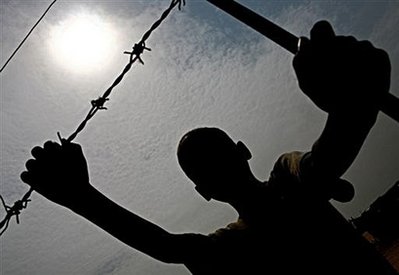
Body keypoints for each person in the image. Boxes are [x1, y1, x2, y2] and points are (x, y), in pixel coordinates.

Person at [20, 21, 396, 274]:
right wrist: (81, 196)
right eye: (203, 165)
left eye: (214, 152)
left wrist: (353, 106)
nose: (214, 165)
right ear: (205, 190)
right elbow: (171, 248)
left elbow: (323, 163)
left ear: (241, 152)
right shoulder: (235, 243)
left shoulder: (287, 178)